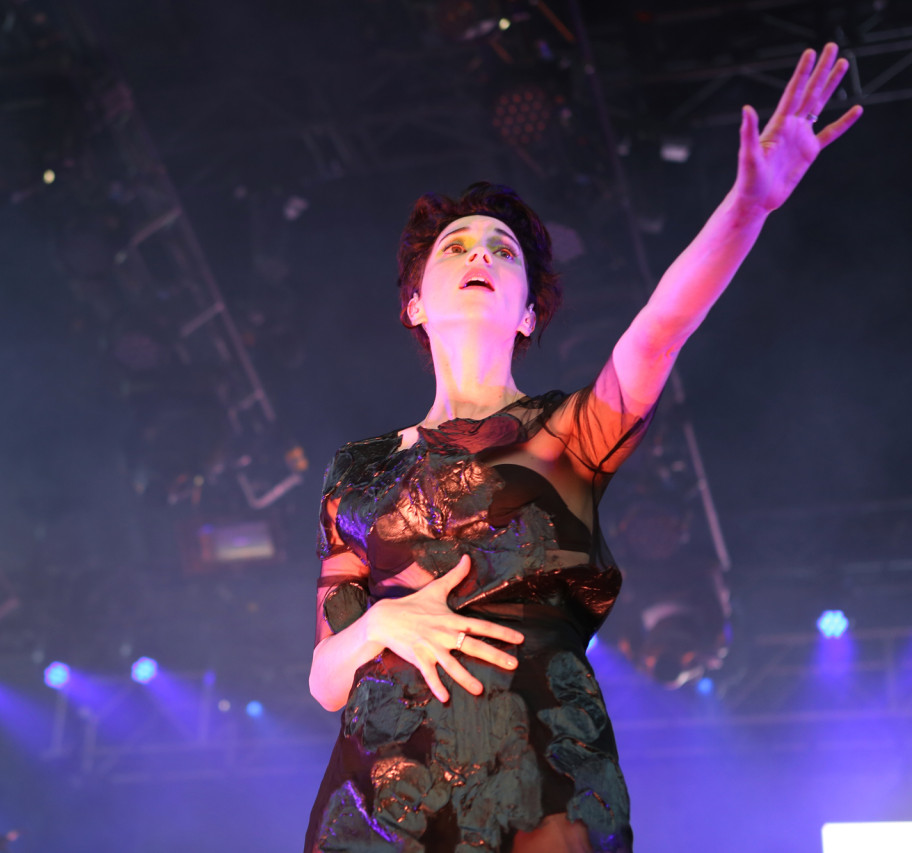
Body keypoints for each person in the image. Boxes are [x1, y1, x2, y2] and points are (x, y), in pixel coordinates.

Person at [304, 45, 862, 853]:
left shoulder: (566, 433)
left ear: (529, 312)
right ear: (414, 303)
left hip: (542, 773)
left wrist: (751, 205)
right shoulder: (355, 470)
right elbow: (325, 678)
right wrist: (384, 622)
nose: (480, 256)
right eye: (456, 246)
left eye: (503, 250)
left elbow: (663, 326)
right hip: (382, 796)